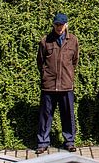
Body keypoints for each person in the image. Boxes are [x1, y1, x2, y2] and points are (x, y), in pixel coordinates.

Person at [36, 12, 79, 154]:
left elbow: (75, 61)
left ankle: (69, 141)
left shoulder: (73, 40)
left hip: (66, 85)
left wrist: (69, 75)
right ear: (53, 25)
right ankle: (42, 142)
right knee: (45, 116)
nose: (59, 27)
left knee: (68, 115)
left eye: (61, 24)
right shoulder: (45, 40)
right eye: (56, 24)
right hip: (49, 85)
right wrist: (46, 76)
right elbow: (40, 62)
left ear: (66, 24)